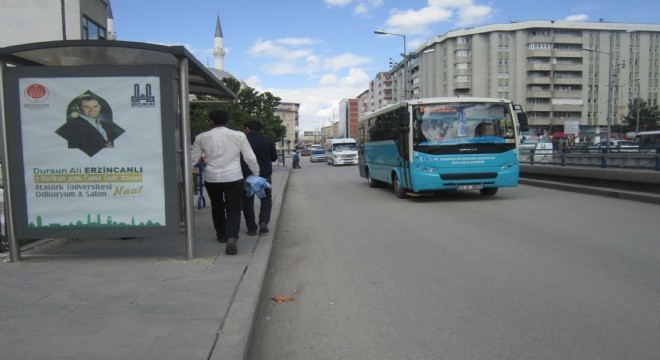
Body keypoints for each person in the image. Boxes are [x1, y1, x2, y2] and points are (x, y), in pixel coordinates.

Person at [191, 110, 260, 255]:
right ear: (227, 121)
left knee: (216, 206)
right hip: (234, 176)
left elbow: (192, 159)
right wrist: (255, 172)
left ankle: (221, 234)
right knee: (233, 208)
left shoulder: (201, 137)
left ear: (211, 121)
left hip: (211, 178)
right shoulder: (239, 136)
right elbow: (250, 157)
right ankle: (232, 237)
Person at [241, 120, 278, 236]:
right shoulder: (268, 141)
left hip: (246, 175)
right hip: (264, 175)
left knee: (247, 201)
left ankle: (251, 228)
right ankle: (263, 222)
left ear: (247, 129)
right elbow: (273, 158)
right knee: (266, 198)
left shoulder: (241, 141)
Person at [55, 94, 125, 157]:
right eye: (87, 107)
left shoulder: (105, 125)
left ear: (99, 107)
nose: (92, 110)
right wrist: (104, 149)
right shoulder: (71, 127)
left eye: (95, 106)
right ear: (79, 109)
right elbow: (74, 152)